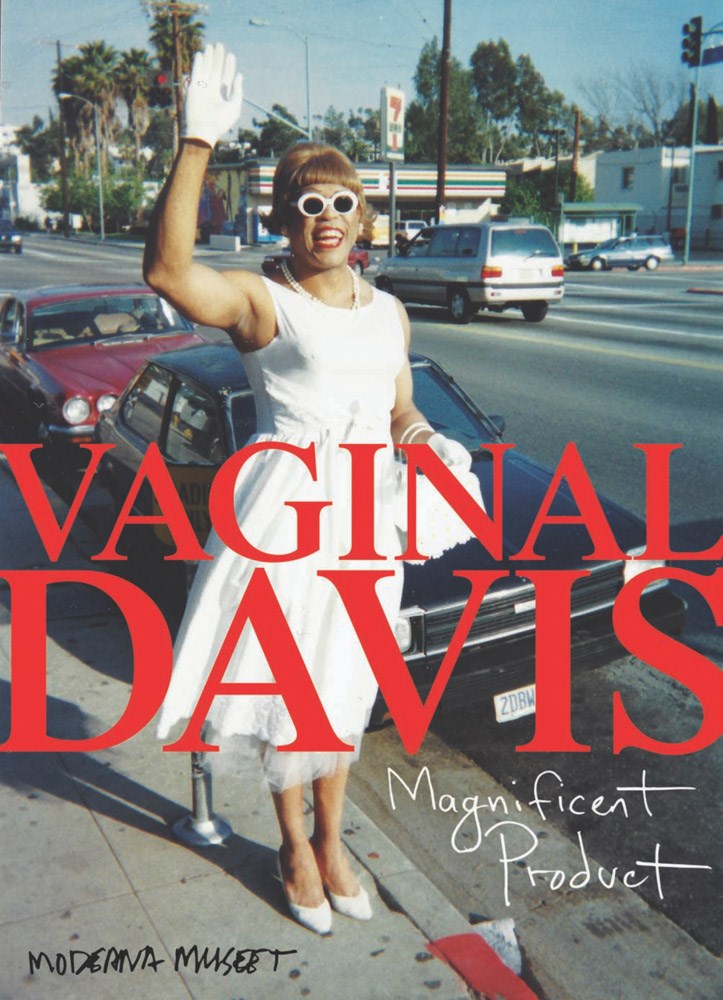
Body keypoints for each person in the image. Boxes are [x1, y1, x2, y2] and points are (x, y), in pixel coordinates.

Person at [146, 44, 477, 935]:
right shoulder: (264, 301)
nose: (324, 216)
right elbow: (168, 274)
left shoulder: (388, 310)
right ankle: (294, 846)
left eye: (339, 201)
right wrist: (197, 141)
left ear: (362, 214)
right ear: (283, 218)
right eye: (305, 202)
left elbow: (399, 408)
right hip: (285, 517)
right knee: (286, 690)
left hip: (366, 519)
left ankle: (336, 842)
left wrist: (427, 442)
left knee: (344, 684)